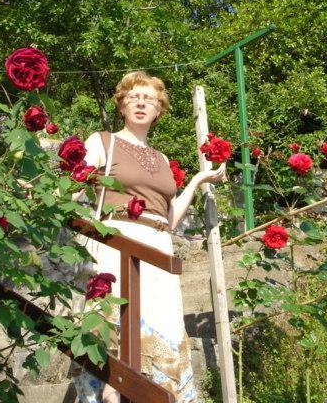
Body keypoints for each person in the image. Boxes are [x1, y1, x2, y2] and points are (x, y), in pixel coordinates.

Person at [71, 71, 226, 403]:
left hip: (158, 246)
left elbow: (168, 218)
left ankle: (145, 392)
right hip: (117, 240)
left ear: (159, 109)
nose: (141, 103)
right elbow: (71, 186)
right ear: (122, 105)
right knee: (115, 321)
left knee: (160, 324)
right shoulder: (102, 141)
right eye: (133, 97)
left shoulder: (162, 159)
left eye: (149, 99)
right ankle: (110, 390)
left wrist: (197, 180)